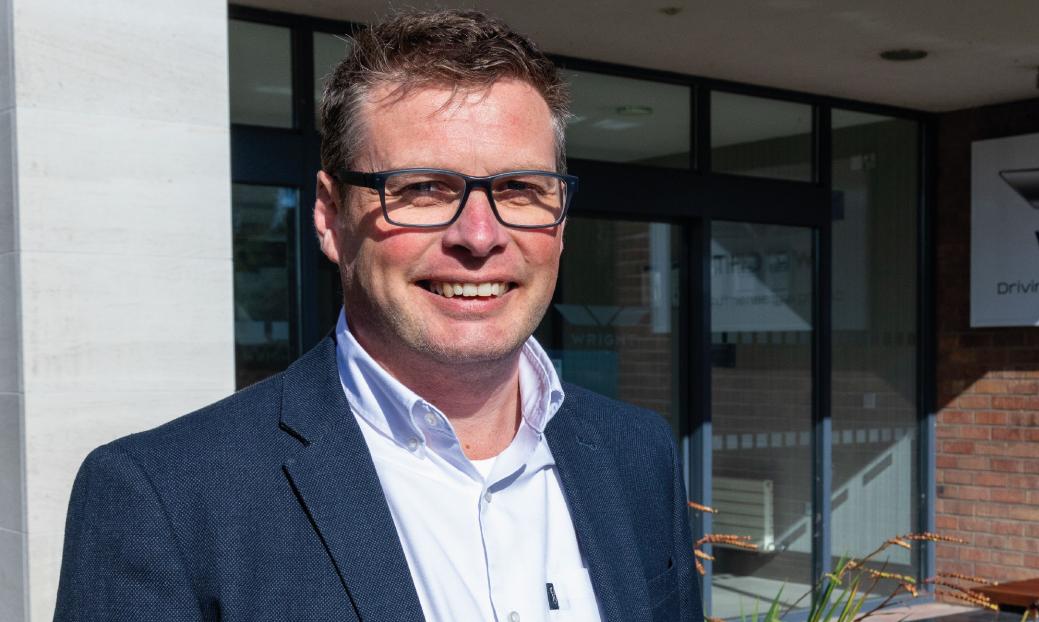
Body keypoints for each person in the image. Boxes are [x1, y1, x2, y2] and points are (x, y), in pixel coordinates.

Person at [53, 9, 700, 622]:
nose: (479, 236)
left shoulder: (636, 453)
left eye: (520, 190)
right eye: (422, 189)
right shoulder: (165, 498)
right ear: (330, 216)